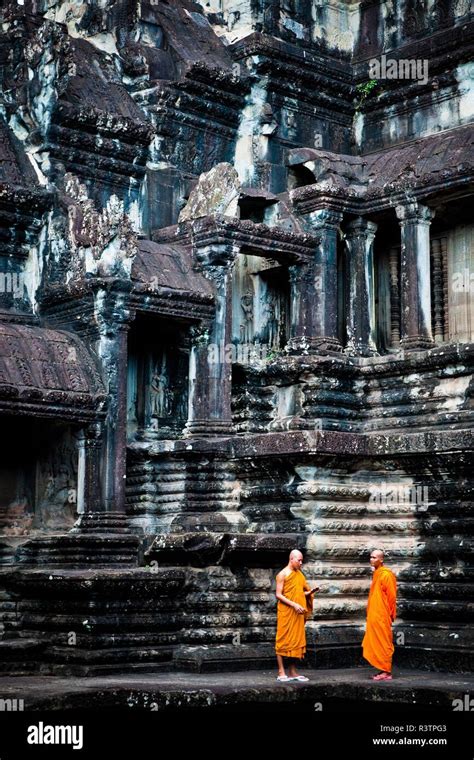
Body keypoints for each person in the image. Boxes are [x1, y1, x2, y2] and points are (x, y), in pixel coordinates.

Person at [275, 549, 318, 682]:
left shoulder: (299, 575)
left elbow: (299, 592)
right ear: (291, 559)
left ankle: (293, 672)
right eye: (299, 560)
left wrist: (310, 592)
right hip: (287, 612)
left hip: (298, 612)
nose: (301, 563)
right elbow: (279, 594)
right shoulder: (282, 574)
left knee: (296, 642)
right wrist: (293, 605)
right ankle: (281, 671)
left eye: (301, 560)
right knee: (282, 641)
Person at [362, 549, 397, 681]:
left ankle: (387, 672)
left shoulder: (386, 575)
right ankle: (382, 670)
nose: (371, 560)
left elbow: (392, 596)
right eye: (371, 557)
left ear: (381, 560)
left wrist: (391, 614)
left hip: (382, 614)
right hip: (375, 614)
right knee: (376, 641)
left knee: (384, 642)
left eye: (375, 557)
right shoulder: (377, 573)